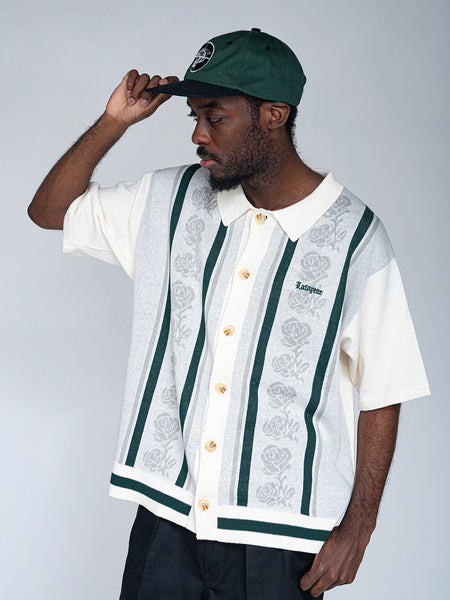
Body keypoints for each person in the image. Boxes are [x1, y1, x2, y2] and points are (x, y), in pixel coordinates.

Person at [28, 28, 430, 599]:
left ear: (273, 115)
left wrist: (358, 529)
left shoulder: (355, 238)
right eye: (193, 116)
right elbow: (49, 212)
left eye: (214, 117)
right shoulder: (167, 201)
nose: (198, 134)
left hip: (282, 539)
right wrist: (113, 123)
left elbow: (385, 388)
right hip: (167, 519)